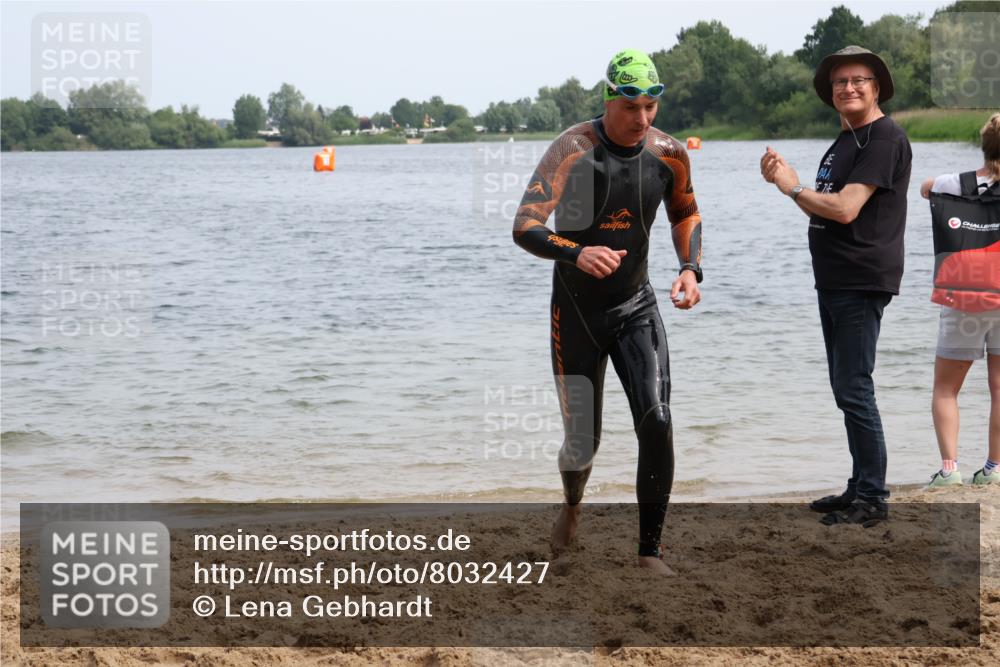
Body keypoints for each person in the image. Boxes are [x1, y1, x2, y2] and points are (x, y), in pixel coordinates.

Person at [512, 49, 703, 575]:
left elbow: (685, 213)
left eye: (650, 106)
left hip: (636, 306)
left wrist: (690, 269)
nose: (642, 118)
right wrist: (576, 252)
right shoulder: (574, 149)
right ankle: (572, 504)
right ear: (609, 100)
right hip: (575, 312)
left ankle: (649, 552)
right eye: (631, 106)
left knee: (657, 419)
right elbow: (524, 225)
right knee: (581, 441)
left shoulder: (667, 153)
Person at [759, 46, 912, 526]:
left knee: (854, 387)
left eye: (858, 80)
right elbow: (820, 204)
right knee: (845, 387)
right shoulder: (847, 139)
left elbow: (845, 208)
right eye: (840, 82)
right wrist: (791, 186)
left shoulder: (884, 137)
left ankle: (873, 497)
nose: (848, 87)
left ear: (877, 86)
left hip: (861, 278)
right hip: (835, 278)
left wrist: (791, 186)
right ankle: (859, 484)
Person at [920, 112, 1000, 488]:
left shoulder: (958, 183)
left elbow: (926, 187)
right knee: (999, 389)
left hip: (963, 296)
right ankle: (993, 470)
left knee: (946, 388)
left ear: (983, 147)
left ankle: (949, 469)